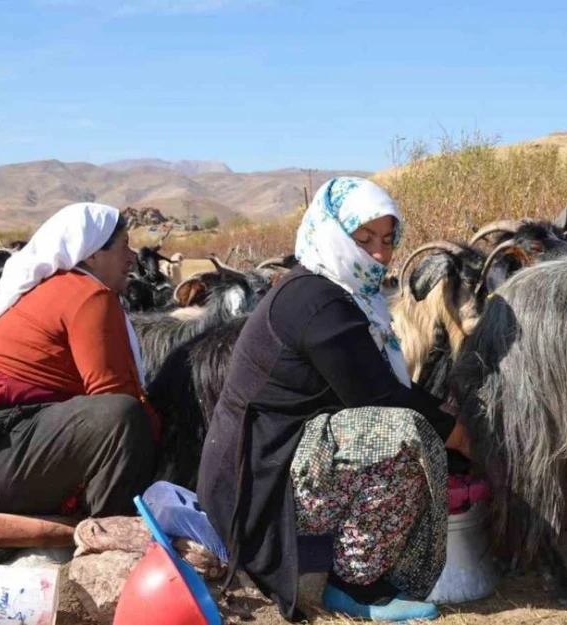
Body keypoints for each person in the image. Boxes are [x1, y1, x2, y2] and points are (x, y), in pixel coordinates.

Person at [198, 177, 472, 623]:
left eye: (387, 239)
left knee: (417, 423)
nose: (379, 253)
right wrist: (456, 434)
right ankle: (355, 583)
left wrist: (445, 412)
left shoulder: (342, 293)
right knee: (400, 435)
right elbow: (379, 398)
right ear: (332, 233)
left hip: (274, 456)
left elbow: (377, 376)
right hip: (255, 479)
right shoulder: (318, 301)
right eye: (363, 239)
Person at [0, 202, 158, 518]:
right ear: (92, 253)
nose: (133, 257)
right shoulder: (88, 296)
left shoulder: (48, 289)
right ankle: (107, 530)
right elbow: (113, 394)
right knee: (122, 417)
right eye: (124, 246)